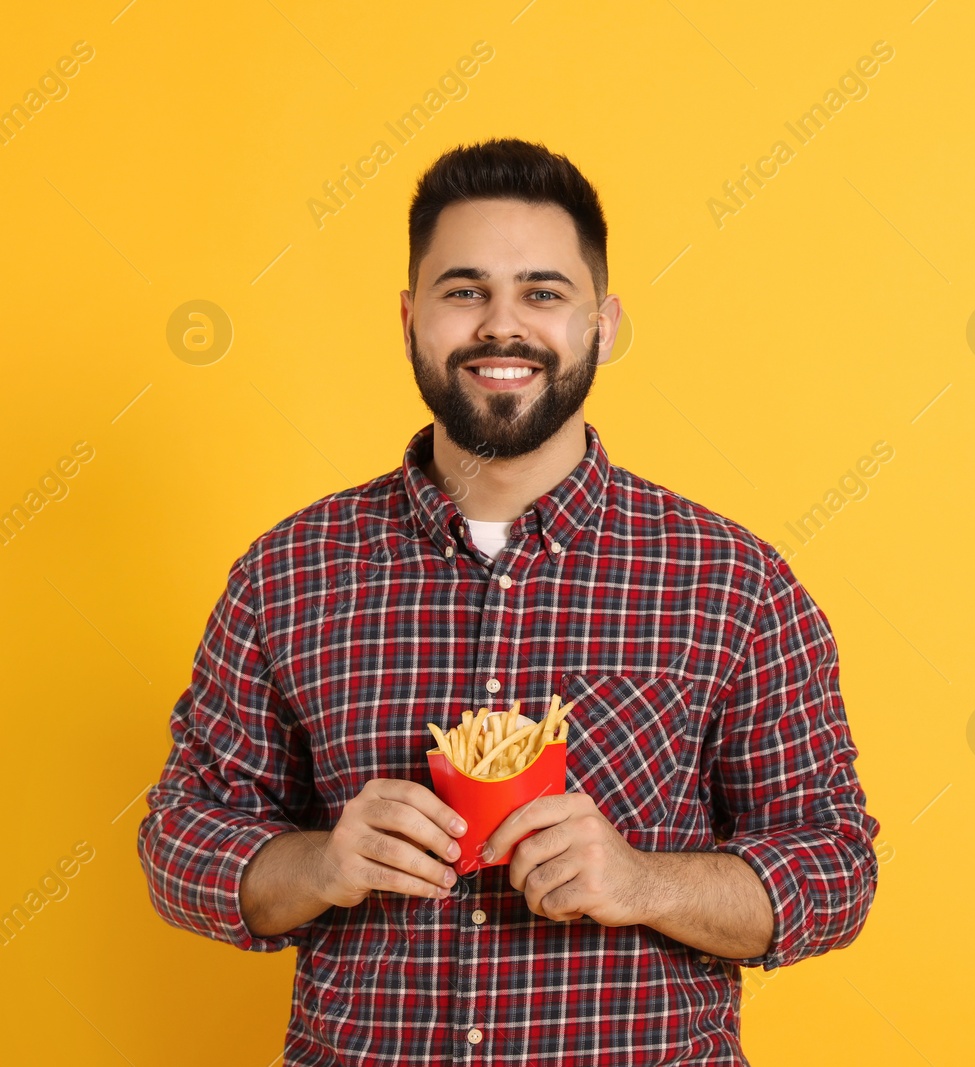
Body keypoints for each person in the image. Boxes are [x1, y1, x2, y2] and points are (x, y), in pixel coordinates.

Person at [136, 138, 880, 1065]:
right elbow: (181, 835)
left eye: (542, 291)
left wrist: (643, 882)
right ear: (411, 318)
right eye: (464, 290)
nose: (502, 326)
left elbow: (836, 868)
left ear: (602, 323)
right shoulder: (290, 572)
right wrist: (322, 864)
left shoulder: (731, 581)